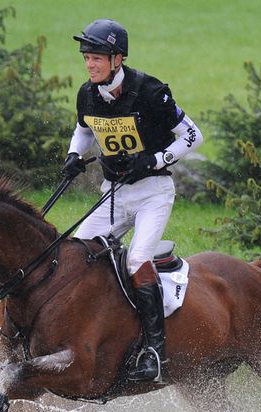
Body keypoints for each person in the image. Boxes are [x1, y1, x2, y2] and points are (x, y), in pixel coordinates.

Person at [63, 18, 203, 383]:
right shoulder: (87, 93)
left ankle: (155, 352)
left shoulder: (151, 91)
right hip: (113, 194)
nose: (90, 64)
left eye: (96, 58)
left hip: (152, 193)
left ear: (118, 58)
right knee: (77, 252)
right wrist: (73, 155)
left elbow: (193, 135)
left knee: (138, 258)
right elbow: (82, 130)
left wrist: (156, 159)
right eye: (86, 58)